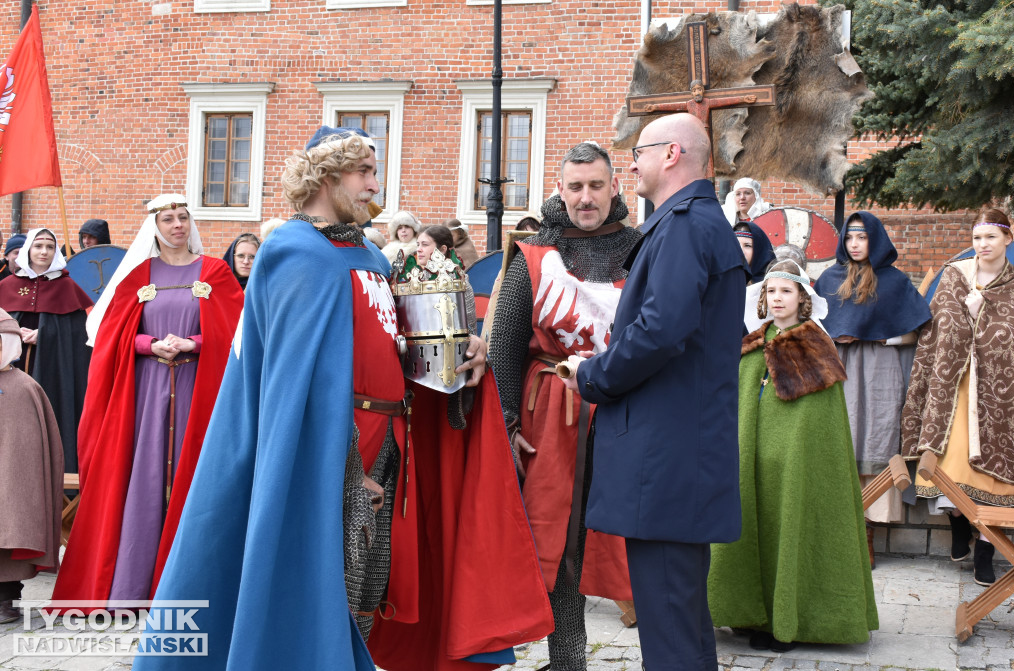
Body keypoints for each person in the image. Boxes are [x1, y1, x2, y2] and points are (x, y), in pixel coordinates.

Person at [135, 127, 551, 671]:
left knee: (369, 590)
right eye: (364, 173)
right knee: (328, 587)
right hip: (328, 452)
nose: (375, 186)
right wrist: (347, 470)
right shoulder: (295, 252)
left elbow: (396, 347)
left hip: (389, 442)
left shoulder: (368, 256)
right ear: (326, 175)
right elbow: (295, 381)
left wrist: (463, 350)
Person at [561, 114, 746, 670]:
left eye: (638, 152)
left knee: (670, 626)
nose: (632, 164)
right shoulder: (693, 223)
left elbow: (661, 331)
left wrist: (592, 375)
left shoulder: (685, 225)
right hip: (678, 448)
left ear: (670, 154)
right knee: (677, 621)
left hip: (668, 455)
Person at [52, 195, 244, 606]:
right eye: (168, 219)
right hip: (146, 393)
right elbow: (111, 334)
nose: (177, 225)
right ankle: (133, 585)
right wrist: (149, 343)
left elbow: (237, 333)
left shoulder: (215, 271)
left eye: (183, 217)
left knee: (194, 475)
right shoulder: (138, 275)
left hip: (197, 391)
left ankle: (185, 585)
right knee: (145, 476)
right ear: (155, 227)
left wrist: (193, 342)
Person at [488, 142, 638, 671]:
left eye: (596, 185)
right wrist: (508, 422)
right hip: (550, 414)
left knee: (629, 539)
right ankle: (568, 659)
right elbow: (505, 347)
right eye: (575, 187)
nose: (586, 197)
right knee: (558, 541)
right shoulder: (533, 254)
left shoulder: (642, 249)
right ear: (560, 189)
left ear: (614, 186)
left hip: (621, 409)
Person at [708, 259, 878, 651]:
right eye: (771, 290)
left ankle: (788, 621)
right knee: (750, 530)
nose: (777, 298)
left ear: (803, 298)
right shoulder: (751, 345)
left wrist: (797, 455)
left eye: (786, 291)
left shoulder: (816, 349)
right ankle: (751, 614)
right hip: (751, 463)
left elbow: (820, 426)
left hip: (795, 466)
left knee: (789, 530)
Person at [902, 208, 1014, 586]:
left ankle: (987, 547)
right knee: (950, 461)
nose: (982, 245)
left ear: (1008, 239)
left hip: (1001, 397)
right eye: (976, 238)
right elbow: (937, 330)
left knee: (995, 476)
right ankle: (957, 520)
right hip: (955, 389)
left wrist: (982, 315)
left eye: (990, 237)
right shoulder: (955, 276)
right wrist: (968, 316)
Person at [815, 212, 931, 558]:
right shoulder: (829, 279)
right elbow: (813, 325)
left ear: (875, 239)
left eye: (862, 237)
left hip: (880, 369)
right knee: (842, 435)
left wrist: (885, 338)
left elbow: (918, 331)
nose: (854, 244)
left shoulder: (893, 282)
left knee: (878, 435)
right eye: (849, 237)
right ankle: (839, 532)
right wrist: (836, 337)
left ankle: (867, 531)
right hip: (839, 367)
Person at [0, 228, 92, 475]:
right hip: (11, 370)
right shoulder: (6, 286)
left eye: (50, 247)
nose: (44, 252)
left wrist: (46, 334)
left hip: (53, 371)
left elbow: (79, 337)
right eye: (38, 246)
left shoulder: (68, 288)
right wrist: (12, 333)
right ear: (28, 249)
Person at [0, 309, 64, 625]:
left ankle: (5, 599)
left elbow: (30, 450)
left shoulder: (24, 387)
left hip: (12, 484)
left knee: (12, 530)